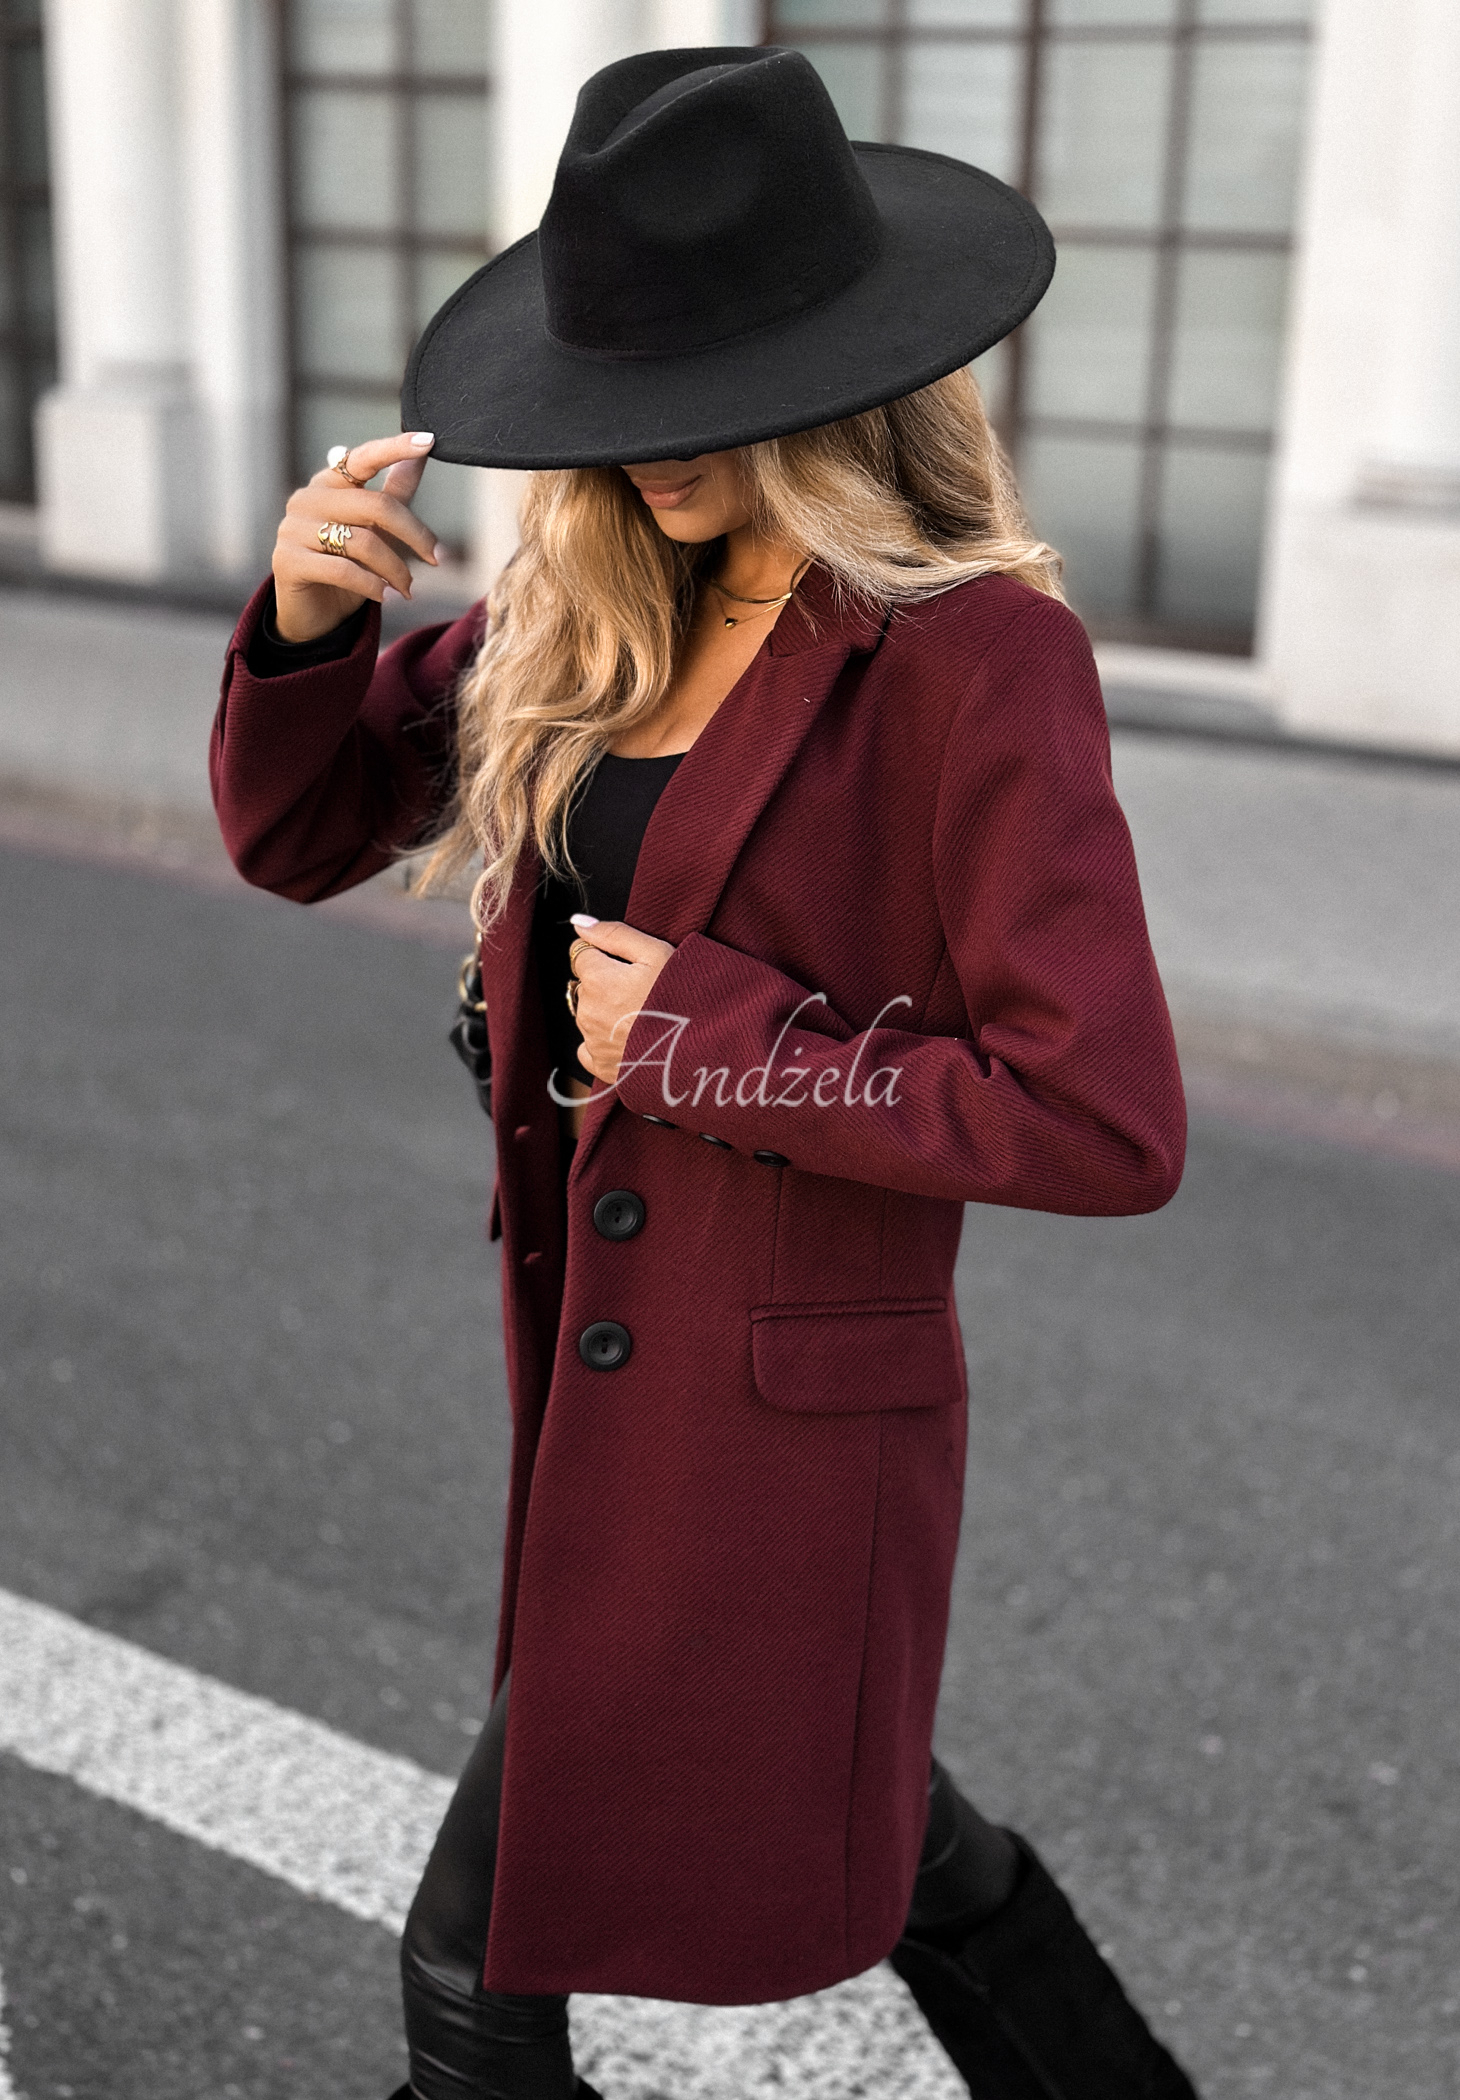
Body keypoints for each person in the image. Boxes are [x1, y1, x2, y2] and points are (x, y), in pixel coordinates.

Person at [211, 44, 1197, 2100]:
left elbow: (1100, 1118)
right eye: (616, 399)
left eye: (702, 399)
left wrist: (707, 1043)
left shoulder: (974, 661)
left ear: (841, 379)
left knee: (476, 1965)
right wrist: (303, 626)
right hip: (588, 1359)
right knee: (896, 1839)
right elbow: (302, 837)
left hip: (781, 1426)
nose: (646, 453)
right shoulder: (580, 605)